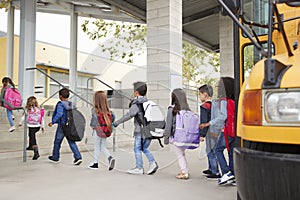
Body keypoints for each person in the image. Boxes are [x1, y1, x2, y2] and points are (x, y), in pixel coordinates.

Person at [113, 82, 158, 175]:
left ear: (136, 92)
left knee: (137, 149)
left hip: (140, 131)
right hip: (149, 130)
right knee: (144, 148)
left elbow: (129, 115)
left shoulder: (137, 103)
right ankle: (152, 162)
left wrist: (117, 122)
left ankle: (139, 168)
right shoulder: (148, 102)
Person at [200, 77, 235, 185]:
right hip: (232, 130)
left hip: (226, 130)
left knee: (217, 150)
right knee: (230, 153)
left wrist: (209, 123)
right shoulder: (232, 100)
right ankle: (233, 175)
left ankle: (226, 172)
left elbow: (223, 116)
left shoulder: (223, 101)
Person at [48, 88, 82, 165]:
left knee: (57, 141)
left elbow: (59, 114)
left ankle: (55, 157)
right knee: (71, 141)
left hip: (62, 126)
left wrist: (52, 122)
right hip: (70, 126)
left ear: (60, 96)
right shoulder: (71, 104)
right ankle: (78, 157)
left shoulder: (60, 104)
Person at [163, 88, 192, 180]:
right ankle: (184, 170)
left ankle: (184, 172)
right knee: (182, 154)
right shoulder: (188, 110)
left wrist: (166, 138)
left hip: (176, 137)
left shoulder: (171, 110)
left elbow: (168, 125)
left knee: (180, 155)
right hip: (186, 136)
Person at [89, 91, 115, 170]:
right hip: (105, 131)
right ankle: (110, 157)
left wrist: (92, 126)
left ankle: (95, 163)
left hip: (97, 131)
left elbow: (94, 121)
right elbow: (113, 118)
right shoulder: (109, 111)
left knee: (97, 147)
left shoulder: (94, 110)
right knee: (103, 147)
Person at [198, 84, 221, 179]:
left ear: (205, 94)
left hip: (208, 132)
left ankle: (215, 171)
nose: (199, 97)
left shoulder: (204, 106)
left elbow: (204, 121)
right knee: (212, 150)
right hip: (216, 131)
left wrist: (202, 134)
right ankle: (211, 168)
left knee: (210, 151)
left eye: (200, 94)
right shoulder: (215, 105)